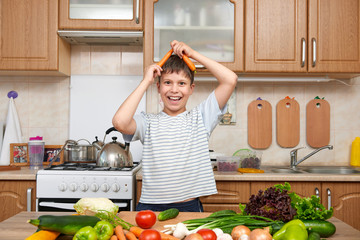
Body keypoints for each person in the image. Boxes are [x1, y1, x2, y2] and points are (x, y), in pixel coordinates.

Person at [112, 40, 237, 212]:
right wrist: (145, 81)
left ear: (191, 88)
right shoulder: (147, 122)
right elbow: (119, 122)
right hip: (149, 207)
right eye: (167, 82)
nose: (174, 90)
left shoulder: (200, 118)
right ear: (158, 87)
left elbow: (230, 79)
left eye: (182, 83)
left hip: (188, 206)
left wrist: (193, 54)